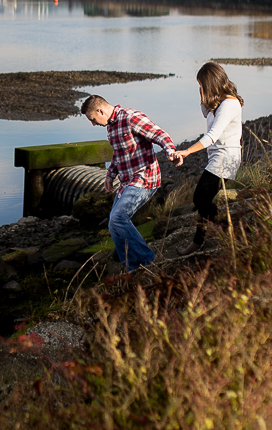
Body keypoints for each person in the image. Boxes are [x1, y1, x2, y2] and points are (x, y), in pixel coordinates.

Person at [81, 95, 177, 272]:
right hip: (127, 182)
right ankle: (132, 269)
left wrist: (171, 151)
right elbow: (119, 154)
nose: (93, 124)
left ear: (100, 111)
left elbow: (159, 134)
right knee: (113, 224)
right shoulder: (110, 127)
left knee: (118, 217)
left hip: (144, 178)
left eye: (93, 119)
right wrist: (110, 175)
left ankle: (150, 261)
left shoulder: (131, 117)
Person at [169, 62, 244, 254]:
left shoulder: (229, 104)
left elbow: (212, 136)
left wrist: (186, 151)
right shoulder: (218, 104)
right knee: (203, 199)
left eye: (201, 84)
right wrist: (204, 95)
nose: (200, 88)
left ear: (210, 83)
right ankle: (204, 240)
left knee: (201, 198)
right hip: (217, 157)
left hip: (225, 158)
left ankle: (220, 233)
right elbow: (205, 112)